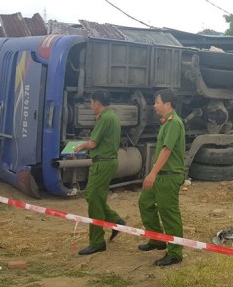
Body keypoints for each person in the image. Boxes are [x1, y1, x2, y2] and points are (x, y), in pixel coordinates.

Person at [73, 90, 126, 255]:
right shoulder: (113, 116)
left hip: (102, 163)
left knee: (94, 199)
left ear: (97, 103)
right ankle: (116, 221)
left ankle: (97, 242)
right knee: (92, 196)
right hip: (106, 163)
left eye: (91, 103)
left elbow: (93, 143)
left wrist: (80, 146)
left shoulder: (104, 118)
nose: (90, 106)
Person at [138, 89, 185, 266]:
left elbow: (167, 150)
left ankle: (175, 252)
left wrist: (152, 173)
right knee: (145, 203)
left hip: (168, 176)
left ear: (168, 104)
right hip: (161, 175)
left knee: (169, 213)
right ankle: (157, 239)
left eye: (157, 102)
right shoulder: (166, 123)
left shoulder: (173, 123)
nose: (154, 105)